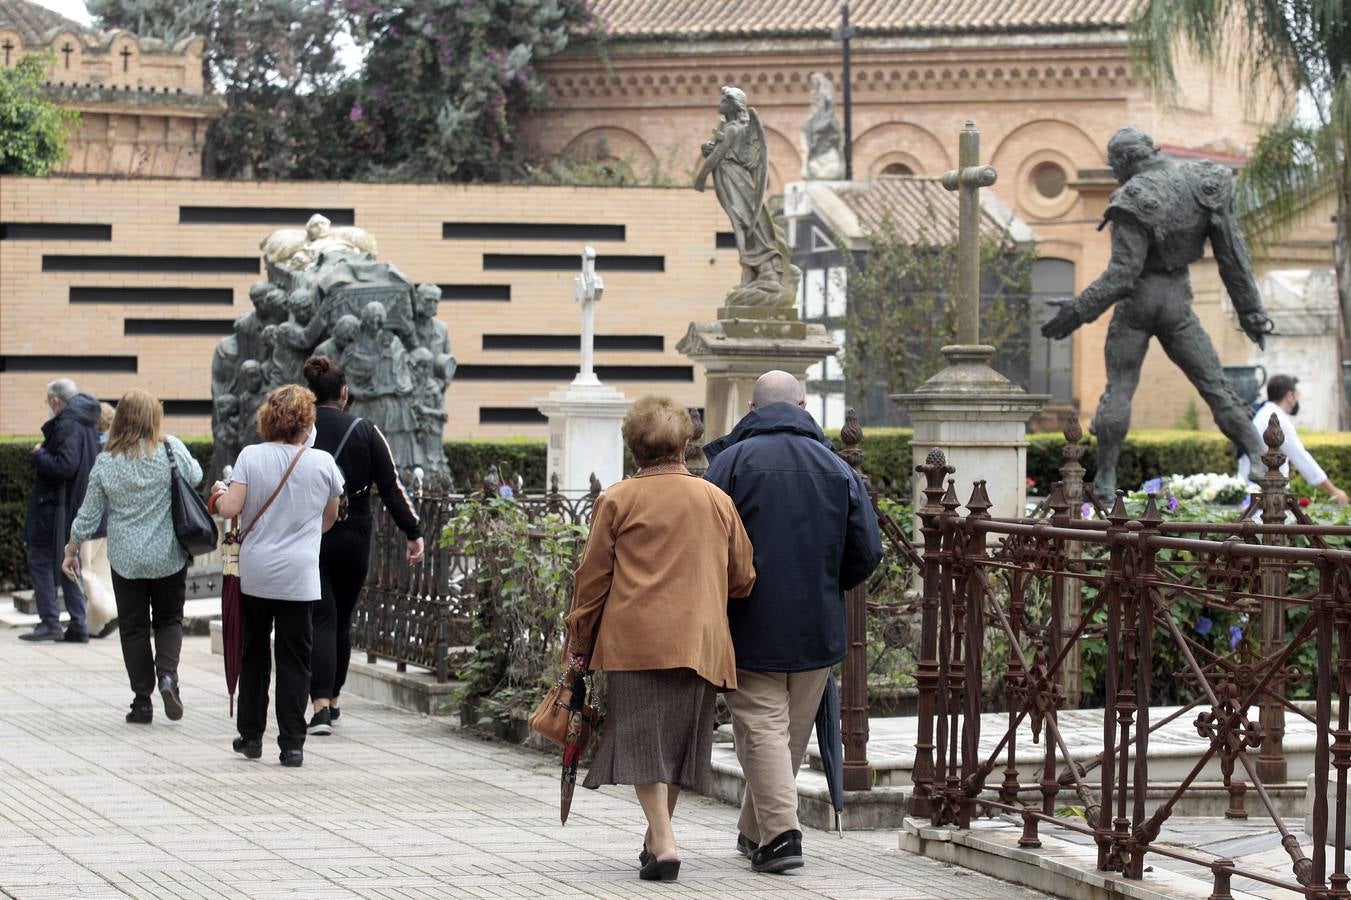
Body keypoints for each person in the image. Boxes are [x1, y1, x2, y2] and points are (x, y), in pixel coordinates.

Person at [566, 395, 756, 883]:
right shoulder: (716, 500)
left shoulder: (617, 499)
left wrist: (579, 640)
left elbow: (592, 581)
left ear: (634, 449)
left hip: (634, 641)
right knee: (672, 745)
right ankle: (657, 839)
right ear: (683, 444)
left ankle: (665, 842)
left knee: (644, 742)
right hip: (700, 641)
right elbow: (743, 577)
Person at [703, 371, 882, 874]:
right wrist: (827, 584)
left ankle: (781, 836)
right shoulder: (836, 465)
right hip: (816, 624)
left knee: (761, 730)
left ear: (751, 408)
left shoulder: (729, 463)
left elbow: (706, 545)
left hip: (748, 621)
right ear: (803, 404)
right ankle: (754, 830)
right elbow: (867, 552)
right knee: (786, 735)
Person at [1040, 126, 1273, 497]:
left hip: (1138, 301)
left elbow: (1122, 275)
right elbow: (1232, 256)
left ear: (1127, 161)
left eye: (1114, 165)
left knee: (1119, 388)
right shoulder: (1205, 181)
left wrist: (1078, 310)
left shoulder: (1132, 197)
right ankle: (1262, 457)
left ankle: (1105, 477)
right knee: (1215, 386)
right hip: (1177, 301)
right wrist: (1252, 314)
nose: (1114, 172)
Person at [212, 384, 343, 768]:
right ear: (306, 422)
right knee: (295, 660)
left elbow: (231, 508)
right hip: (300, 576)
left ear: (269, 417)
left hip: (257, 573)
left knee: (254, 655)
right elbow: (330, 516)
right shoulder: (322, 463)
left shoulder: (252, 456)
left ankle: (251, 736)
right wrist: (301, 538)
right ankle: (292, 744)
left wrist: (218, 494)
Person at [61, 390, 203, 723]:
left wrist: (71, 549)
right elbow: (196, 477)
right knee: (169, 619)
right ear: (155, 417)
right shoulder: (170, 448)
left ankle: (142, 702)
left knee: (134, 628)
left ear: (121, 417)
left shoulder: (107, 460)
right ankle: (168, 676)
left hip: (125, 558)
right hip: (168, 554)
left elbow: (89, 512)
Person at [302, 356, 424, 736]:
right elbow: (391, 487)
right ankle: (334, 697)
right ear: (344, 393)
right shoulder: (366, 430)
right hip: (354, 533)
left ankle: (319, 704)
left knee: (320, 615)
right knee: (341, 619)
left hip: (311, 531)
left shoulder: (299, 429)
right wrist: (413, 531)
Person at [21, 379, 101, 643]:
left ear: (56, 400)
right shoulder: (87, 421)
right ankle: (78, 623)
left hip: (57, 506)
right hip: (76, 502)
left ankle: (50, 622)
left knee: (41, 558)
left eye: (48, 402)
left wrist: (39, 454)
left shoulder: (67, 423)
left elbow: (65, 465)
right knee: (69, 559)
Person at [1238, 374, 1349, 504]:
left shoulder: (1263, 413)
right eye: (1297, 395)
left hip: (1252, 493)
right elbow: (1302, 458)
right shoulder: (1278, 419)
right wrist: (1334, 491)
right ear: (1290, 396)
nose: (1297, 399)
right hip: (1267, 498)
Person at [80, 402, 119, 640]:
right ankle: (96, 624)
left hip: (92, 518)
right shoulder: (114, 445)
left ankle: (109, 612)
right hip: (110, 518)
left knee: (86, 569)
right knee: (102, 572)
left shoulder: (88, 445)